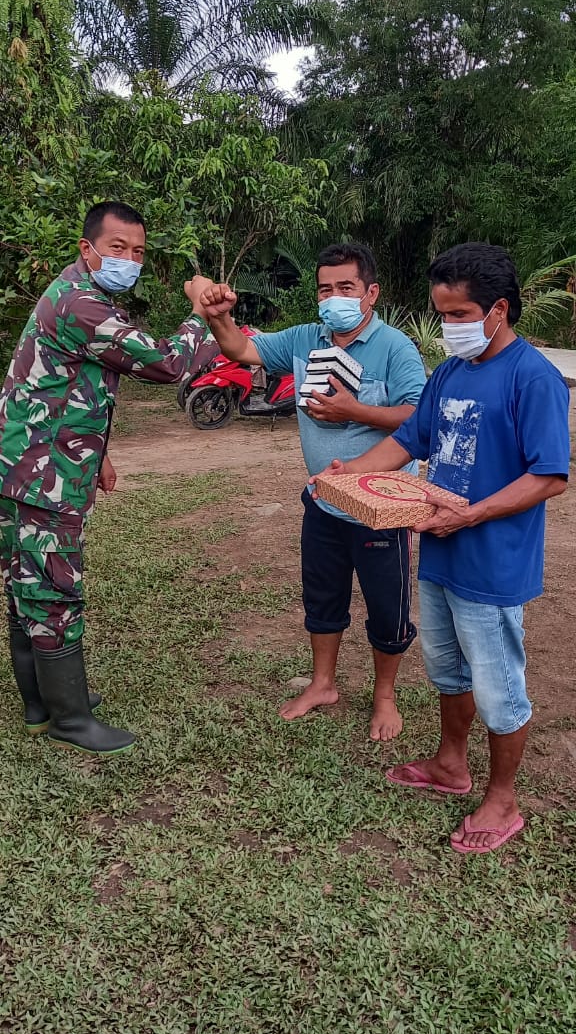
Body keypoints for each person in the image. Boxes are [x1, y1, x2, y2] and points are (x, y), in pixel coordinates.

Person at [312, 243, 570, 855]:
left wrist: (471, 514)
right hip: (440, 551)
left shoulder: (534, 378)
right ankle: (452, 764)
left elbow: (550, 475)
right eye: (443, 314)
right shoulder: (453, 372)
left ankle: (502, 799)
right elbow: (408, 438)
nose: (449, 328)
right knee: (448, 670)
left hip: (492, 561)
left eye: (458, 316)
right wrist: (347, 477)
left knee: (498, 688)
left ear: (497, 310)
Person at [0, 202, 218, 755]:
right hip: (43, 477)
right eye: (117, 248)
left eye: (139, 252)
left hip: (32, 463)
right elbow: (166, 364)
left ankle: (40, 705)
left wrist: (98, 455)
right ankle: (69, 719)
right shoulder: (81, 305)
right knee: (52, 590)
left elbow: (76, 386)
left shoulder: (78, 294)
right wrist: (199, 314)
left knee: (28, 584)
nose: (129, 260)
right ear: (87, 248)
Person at [193, 243, 427, 740]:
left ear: (371, 294)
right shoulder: (304, 338)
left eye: (346, 288)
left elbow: (417, 417)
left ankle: (384, 696)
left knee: (387, 605)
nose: (334, 297)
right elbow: (240, 350)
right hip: (321, 499)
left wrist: (355, 411)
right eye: (326, 288)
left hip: (377, 507)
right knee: (322, 597)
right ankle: (323, 683)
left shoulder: (395, 347)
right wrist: (218, 318)